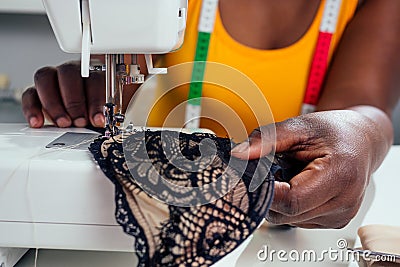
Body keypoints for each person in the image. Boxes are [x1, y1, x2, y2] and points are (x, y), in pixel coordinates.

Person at [22, 0, 400, 229]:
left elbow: (362, 104)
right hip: (170, 212)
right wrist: (88, 88)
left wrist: (360, 133)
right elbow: (121, 69)